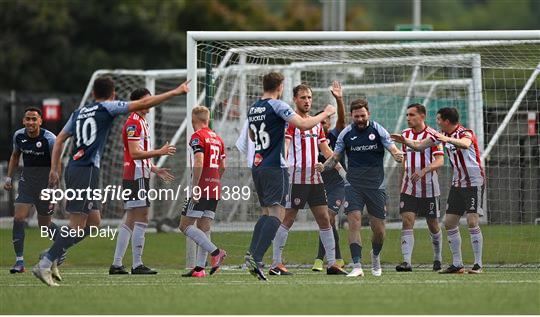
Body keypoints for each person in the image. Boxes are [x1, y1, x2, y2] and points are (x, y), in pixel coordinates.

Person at [32, 76, 190, 286]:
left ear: (93, 93)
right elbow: (142, 104)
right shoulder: (107, 108)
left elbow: (60, 139)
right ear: (113, 94)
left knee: (94, 222)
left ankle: (54, 251)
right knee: (78, 225)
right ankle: (46, 262)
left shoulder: (79, 112)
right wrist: (175, 92)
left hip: (78, 168)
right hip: (85, 170)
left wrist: (55, 168)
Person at [245, 72, 335, 281]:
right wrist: (326, 113)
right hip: (276, 166)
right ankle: (259, 258)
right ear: (280, 87)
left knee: (267, 213)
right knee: (278, 215)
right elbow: (303, 124)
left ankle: (251, 254)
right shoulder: (277, 106)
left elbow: (251, 135)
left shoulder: (253, 108)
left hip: (258, 164)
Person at [391, 107, 485, 274]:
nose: (437, 122)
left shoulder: (465, 132)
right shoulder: (438, 135)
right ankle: (457, 264)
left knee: (471, 221)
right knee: (449, 222)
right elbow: (419, 146)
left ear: (447, 121)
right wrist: (404, 141)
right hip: (458, 183)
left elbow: (466, 144)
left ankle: (478, 265)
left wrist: (444, 138)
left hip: (474, 182)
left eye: (439, 119)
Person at [270, 83, 347, 276]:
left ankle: (332, 264)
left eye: (309, 97)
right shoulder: (291, 122)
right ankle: (276, 263)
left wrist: (340, 169)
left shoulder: (316, 125)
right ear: (295, 99)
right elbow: (286, 145)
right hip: (296, 178)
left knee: (324, 218)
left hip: (315, 179)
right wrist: (283, 163)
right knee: (288, 218)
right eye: (303, 97)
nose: (307, 101)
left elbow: (326, 150)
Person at [322, 99, 404, 277]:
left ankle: (375, 257)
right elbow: (335, 157)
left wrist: (397, 154)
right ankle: (357, 265)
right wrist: (325, 166)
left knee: (379, 230)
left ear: (368, 114)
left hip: (376, 186)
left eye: (363, 115)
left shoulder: (378, 129)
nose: (360, 119)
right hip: (353, 185)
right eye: (356, 116)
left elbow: (391, 147)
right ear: (352, 116)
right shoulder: (346, 134)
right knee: (354, 221)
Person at [109, 88, 176, 275]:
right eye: (147, 100)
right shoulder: (133, 123)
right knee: (141, 216)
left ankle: (117, 264)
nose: (151, 103)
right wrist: (159, 152)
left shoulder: (142, 121)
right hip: (135, 174)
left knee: (131, 217)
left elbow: (139, 154)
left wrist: (155, 168)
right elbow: (135, 153)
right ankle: (136, 264)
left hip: (140, 172)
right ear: (138, 102)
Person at [4, 107, 59, 276]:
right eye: (27, 119)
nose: (30, 122)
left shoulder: (50, 138)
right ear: (23, 121)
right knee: (19, 217)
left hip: (46, 185)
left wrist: (55, 180)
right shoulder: (18, 136)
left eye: (34, 119)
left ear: (40, 121)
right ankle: (19, 261)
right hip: (27, 182)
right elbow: (14, 155)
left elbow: (56, 161)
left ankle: (62, 245)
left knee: (45, 225)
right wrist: (8, 177)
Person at [179, 105, 227, 278]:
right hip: (215, 187)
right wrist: (214, 180)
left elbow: (199, 161)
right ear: (208, 120)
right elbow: (223, 166)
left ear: (194, 121)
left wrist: (195, 186)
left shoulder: (197, 136)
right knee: (204, 227)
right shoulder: (218, 139)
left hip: (202, 187)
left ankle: (216, 252)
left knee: (184, 225)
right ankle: (200, 269)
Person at [395, 104, 444, 272]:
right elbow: (404, 160)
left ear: (422, 116)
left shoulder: (433, 136)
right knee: (407, 221)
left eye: (412, 115)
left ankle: (438, 257)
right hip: (409, 188)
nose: (408, 118)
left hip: (429, 188)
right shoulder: (404, 135)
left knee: (433, 224)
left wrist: (423, 171)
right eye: (407, 115)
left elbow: (440, 160)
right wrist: (401, 182)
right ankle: (406, 262)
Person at [312, 81, 347, 272]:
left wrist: (338, 100)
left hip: (337, 185)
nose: (324, 124)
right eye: (320, 122)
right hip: (318, 185)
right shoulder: (309, 139)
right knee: (327, 222)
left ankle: (319, 259)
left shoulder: (335, 136)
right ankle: (338, 258)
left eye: (326, 122)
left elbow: (342, 120)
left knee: (329, 217)